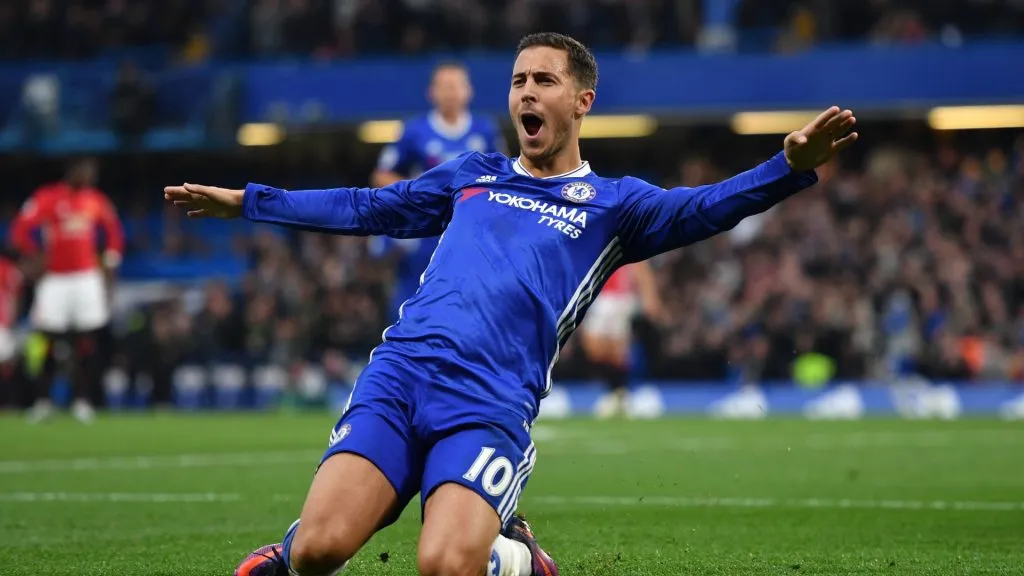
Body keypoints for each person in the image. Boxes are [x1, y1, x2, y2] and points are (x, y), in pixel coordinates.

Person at [166, 32, 857, 576]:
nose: (526, 93)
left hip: (488, 402)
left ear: (582, 100)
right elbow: (370, 205)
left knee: (442, 565)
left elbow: (706, 208)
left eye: (544, 81)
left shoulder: (617, 206)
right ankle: (296, 551)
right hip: (400, 379)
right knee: (316, 553)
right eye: (519, 80)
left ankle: (518, 557)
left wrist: (786, 168)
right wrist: (248, 202)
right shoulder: (475, 175)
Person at [369, 61, 507, 322]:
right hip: (425, 234)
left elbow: (503, 177)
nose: (451, 92)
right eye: (444, 86)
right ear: (431, 92)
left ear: (469, 91)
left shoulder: (485, 130)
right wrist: (422, 192)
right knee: (411, 307)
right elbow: (381, 175)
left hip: (469, 232)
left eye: (456, 86)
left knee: (467, 308)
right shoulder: (414, 131)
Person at [11, 157, 124, 424]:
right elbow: (20, 230)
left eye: (92, 173)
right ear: (72, 171)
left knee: (86, 339)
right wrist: (33, 255)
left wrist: (109, 262)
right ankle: (42, 401)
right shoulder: (48, 198)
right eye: (85, 171)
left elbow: (114, 234)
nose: (89, 176)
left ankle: (82, 401)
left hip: (86, 278)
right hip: (55, 279)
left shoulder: (96, 201)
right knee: (48, 338)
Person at [578, 261, 663, 418]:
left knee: (617, 350)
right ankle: (618, 392)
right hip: (600, 296)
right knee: (594, 349)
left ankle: (618, 393)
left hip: (620, 297)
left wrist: (650, 297)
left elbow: (641, 266)